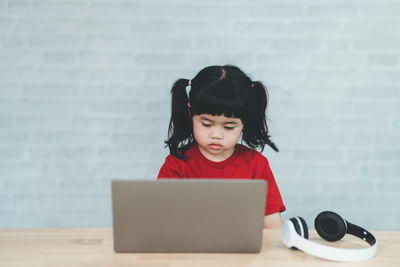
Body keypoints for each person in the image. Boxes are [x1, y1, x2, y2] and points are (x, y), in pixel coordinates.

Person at [157, 65, 285, 229]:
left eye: (229, 127)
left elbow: (273, 226)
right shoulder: (176, 165)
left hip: (243, 253)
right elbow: (161, 222)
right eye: (206, 124)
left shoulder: (257, 165)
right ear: (190, 114)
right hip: (188, 251)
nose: (216, 135)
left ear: (244, 123)